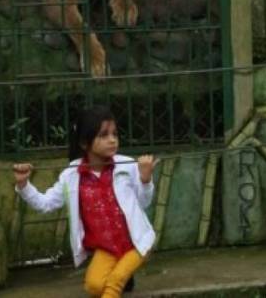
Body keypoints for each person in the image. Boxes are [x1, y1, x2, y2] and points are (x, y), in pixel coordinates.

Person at [12, 106, 157, 297]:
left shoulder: (127, 166)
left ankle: (121, 275)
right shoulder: (71, 176)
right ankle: (121, 272)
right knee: (94, 287)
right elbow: (45, 204)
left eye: (114, 134)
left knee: (113, 284)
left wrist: (145, 180)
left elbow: (144, 203)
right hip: (107, 248)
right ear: (84, 142)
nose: (112, 139)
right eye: (104, 135)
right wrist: (24, 185)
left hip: (135, 242)